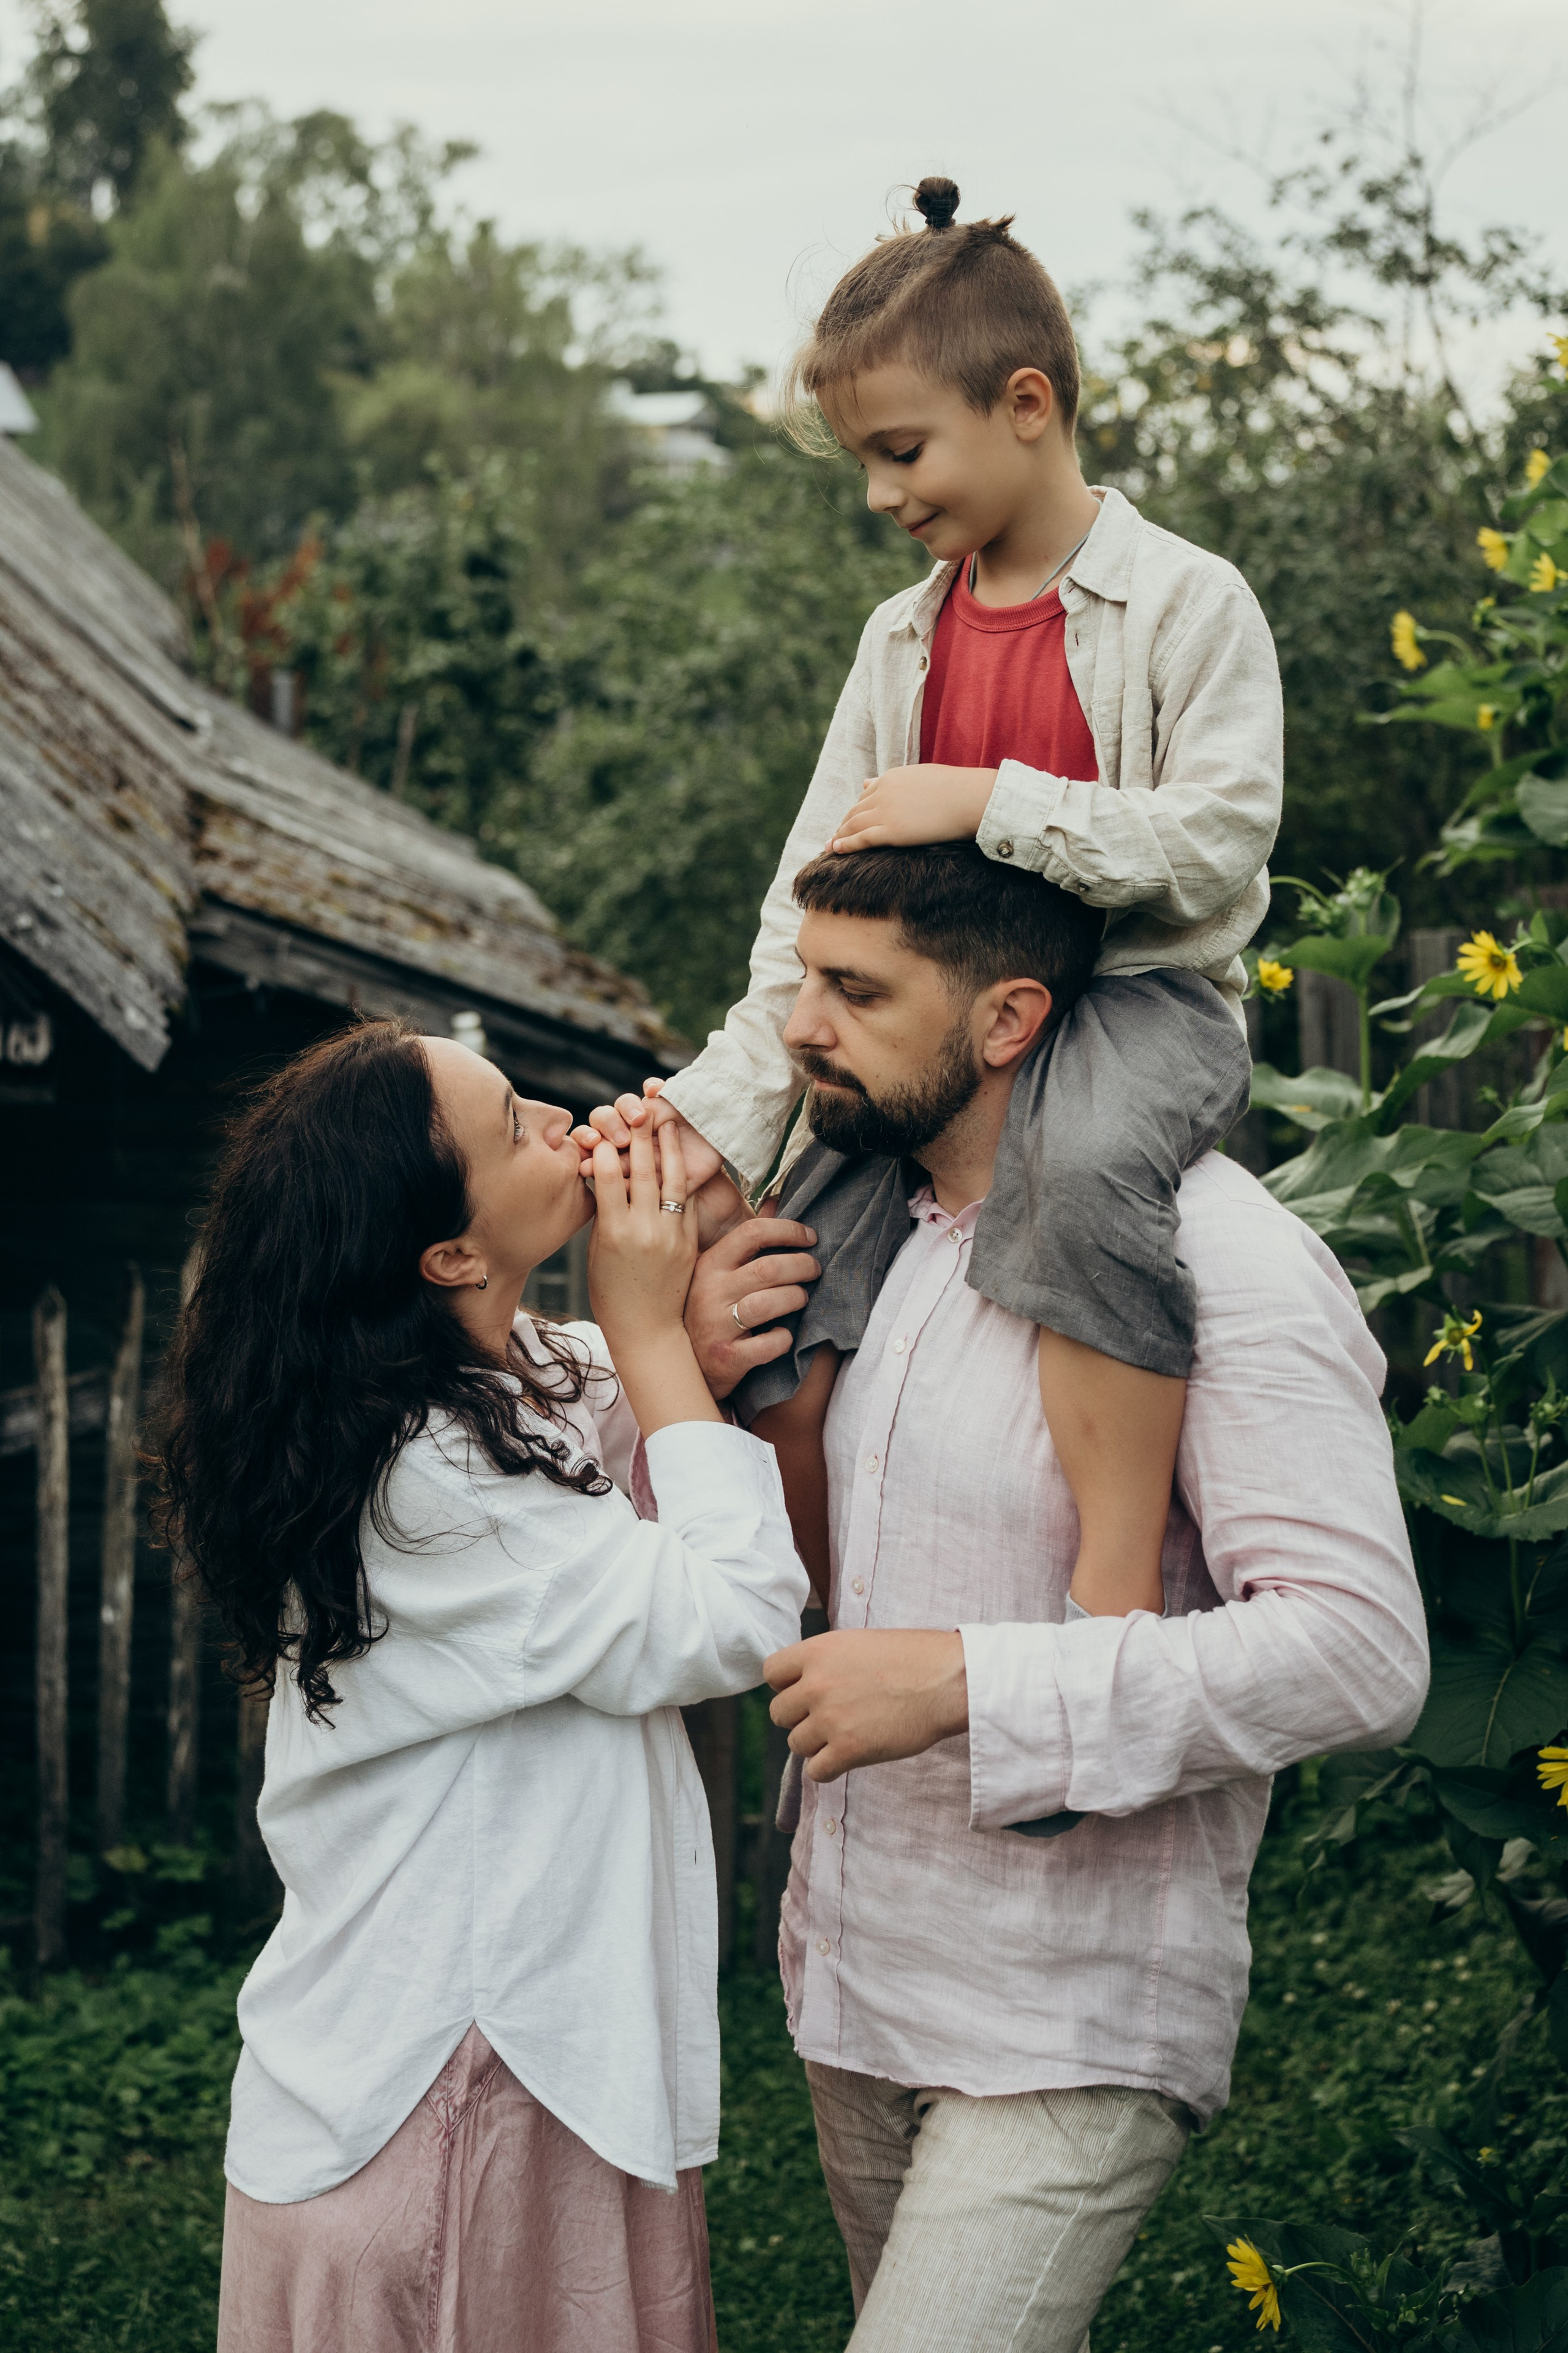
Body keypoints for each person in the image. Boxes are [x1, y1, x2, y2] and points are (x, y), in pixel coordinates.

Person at [679, 841, 1428, 2352]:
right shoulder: (855, 1246)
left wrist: (964, 1681)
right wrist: (686, 1363)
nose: (799, 1025)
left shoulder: (1218, 1256)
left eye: (853, 991)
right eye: (803, 979)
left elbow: (1360, 1650)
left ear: (1008, 1017)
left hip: (1067, 2010)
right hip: (853, 1983)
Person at [586, 172, 1283, 1623]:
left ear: (1024, 403)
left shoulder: (1186, 603)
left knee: (1083, 1176)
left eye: (900, 452)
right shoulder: (898, 641)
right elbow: (809, 907)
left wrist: (986, 804)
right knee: (777, 1268)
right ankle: (818, 1631)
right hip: (928, 1023)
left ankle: (1110, 1603)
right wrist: (714, 1126)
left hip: (1134, 1004)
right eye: (861, 460)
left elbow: (1216, 843)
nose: (879, 496)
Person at [151, 1018, 809, 2353]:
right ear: (448, 1253)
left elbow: (616, 1420)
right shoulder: (423, 1476)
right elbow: (729, 1616)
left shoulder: (492, 1379)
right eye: (513, 1124)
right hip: (459, 2097)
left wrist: (670, 1318)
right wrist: (656, 1336)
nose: (561, 1120)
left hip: (486, 2053)